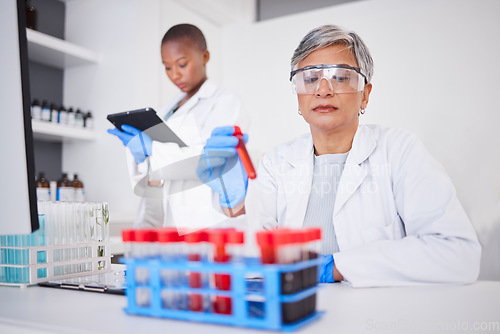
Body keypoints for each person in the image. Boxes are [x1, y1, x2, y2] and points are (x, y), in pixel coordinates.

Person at [198, 24, 481, 287]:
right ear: (298, 94)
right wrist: (236, 203)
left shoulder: (399, 151)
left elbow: (457, 252)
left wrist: (337, 266)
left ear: (365, 95)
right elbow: (253, 252)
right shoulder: (277, 162)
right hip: (297, 316)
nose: (322, 90)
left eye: (340, 77)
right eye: (310, 78)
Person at [108, 24, 247, 229]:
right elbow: (153, 174)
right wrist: (141, 157)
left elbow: (208, 159)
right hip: (160, 217)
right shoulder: (166, 110)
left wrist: (152, 150)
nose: (175, 75)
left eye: (182, 64)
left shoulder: (224, 102)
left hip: (202, 220)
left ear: (205, 57)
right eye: (167, 67)